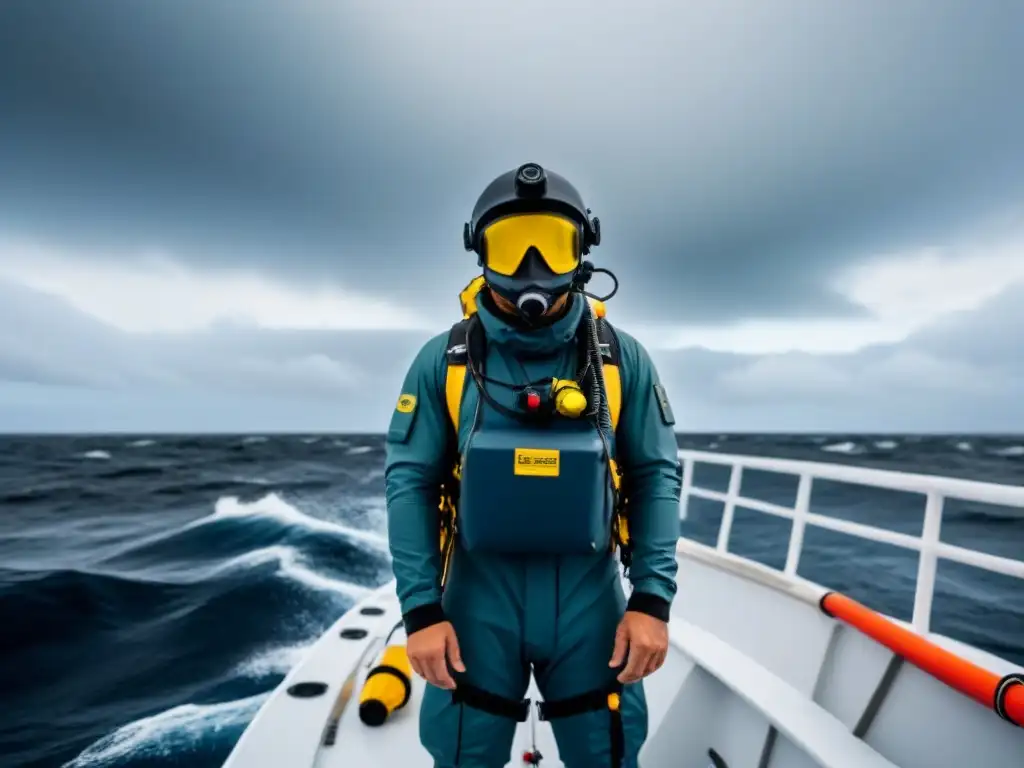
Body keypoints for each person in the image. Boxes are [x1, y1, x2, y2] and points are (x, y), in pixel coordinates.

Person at [384, 163, 682, 768]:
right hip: (476, 603)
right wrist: (420, 612)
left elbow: (655, 478)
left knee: (609, 754)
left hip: (589, 601)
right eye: (511, 245)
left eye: (550, 244)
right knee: (463, 753)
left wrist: (651, 600)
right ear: (479, 251)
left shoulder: (621, 361)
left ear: (583, 250)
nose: (530, 268)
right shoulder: (444, 363)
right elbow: (410, 483)